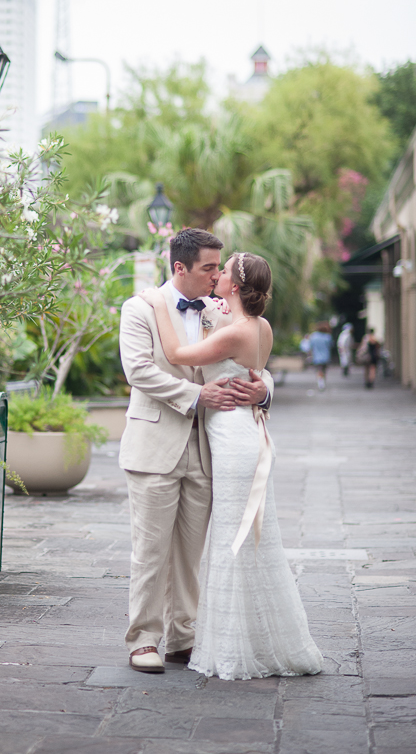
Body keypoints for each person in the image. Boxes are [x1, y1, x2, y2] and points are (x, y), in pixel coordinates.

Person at [139, 251, 323, 680]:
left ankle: (234, 647)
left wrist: (156, 304)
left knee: (232, 542)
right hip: (246, 436)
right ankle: (255, 640)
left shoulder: (233, 331)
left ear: (235, 287)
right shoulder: (259, 327)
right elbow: (253, 371)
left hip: (235, 444)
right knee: (249, 541)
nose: (217, 275)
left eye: (224, 271)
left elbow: (177, 352)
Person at [118, 229, 273, 674]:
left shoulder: (219, 310)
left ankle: (183, 636)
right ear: (180, 267)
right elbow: (140, 371)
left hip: (209, 451)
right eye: (208, 268)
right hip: (154, 445)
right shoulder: (140, 308)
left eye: (217, 269)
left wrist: (263, 392)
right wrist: (195, 395)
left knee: (191, 552)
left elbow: (249, 357)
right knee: (150, 549)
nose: (214, 277)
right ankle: (144, 640)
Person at [309, 322, 333, 390]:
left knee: (319, 370)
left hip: (317, 357)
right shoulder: (327, 337)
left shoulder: (313, 336)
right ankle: (322, 381)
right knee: (324, 370)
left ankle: (320, 382)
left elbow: (311, 346)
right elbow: (331, 345)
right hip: (326, 357)